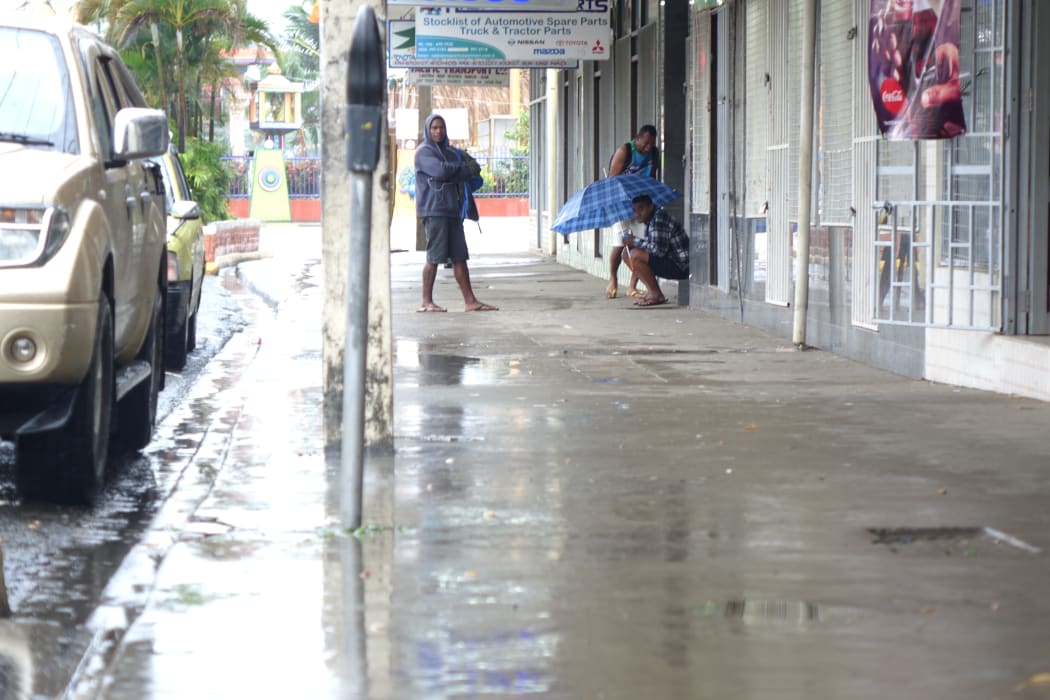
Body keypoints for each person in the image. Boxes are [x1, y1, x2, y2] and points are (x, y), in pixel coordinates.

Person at [414, 113, 497, 313]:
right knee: (434, 257)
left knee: (460, 256)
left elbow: (467, 172)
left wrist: (451, 171)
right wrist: (453, 170)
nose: (438, 131)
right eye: (434, 127)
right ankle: (426, 301)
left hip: (452, 209)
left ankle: (470, 301)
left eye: (441, 127)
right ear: (428, 129)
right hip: (434, 210)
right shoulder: (423, 152)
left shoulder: (450, 152)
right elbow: (440, 171)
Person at [606, 124, 661, 299]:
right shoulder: (625, 151)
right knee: (619, 244)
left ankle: (632, 286)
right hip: (621, 203)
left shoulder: (654, 153)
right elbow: (612, 179)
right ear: (637, 138)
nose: (648, 147)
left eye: (651, 143)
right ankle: (613, 280)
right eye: (645, 143)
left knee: (641, 244)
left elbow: (652, 178)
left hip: (642, 204)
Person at [620, 194, 689, 307]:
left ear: (651, 206)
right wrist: (631, 242)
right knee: (626, 254)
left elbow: (658, 251)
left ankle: (655, 294)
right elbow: (653, 247)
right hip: (669, 260)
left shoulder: (658, 219)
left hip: (680, 266)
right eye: (634, 210)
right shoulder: (651, 220)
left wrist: (635, 241)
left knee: (635, 255)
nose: (637, 214)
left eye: (641, 209)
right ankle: (652, 291)